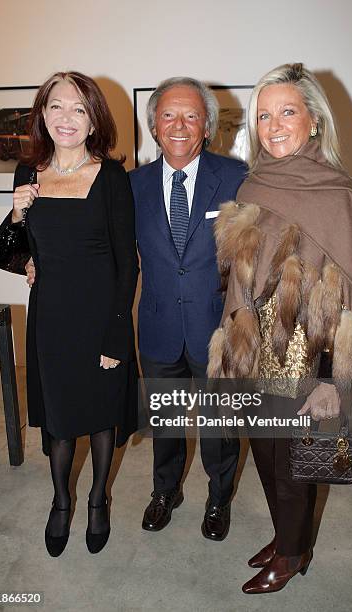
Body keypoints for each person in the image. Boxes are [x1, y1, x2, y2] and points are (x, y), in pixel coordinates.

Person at [208, 63, 352, 592]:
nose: (274, 124)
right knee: (263, 448)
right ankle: (289, 534)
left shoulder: (340, 194)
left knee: (298, 458)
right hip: (256, 346)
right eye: (264, 115)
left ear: (315, 121)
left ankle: (293, 552)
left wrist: (334, 380)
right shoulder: (255, 182)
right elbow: (243, 273)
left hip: (311, 352)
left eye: (287, 111)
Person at [0, 71, 139, 557]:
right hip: (51, 320)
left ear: (94, 118)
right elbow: (7, 252)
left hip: (100, 318)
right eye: (56, 106)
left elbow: (127, 263)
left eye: (78, 108)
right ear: (42, 114)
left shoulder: (112, 177)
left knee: (100, 418)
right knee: (57, 419)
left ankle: (98, 499)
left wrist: (118, 336)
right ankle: (61, 502)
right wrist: (17, 215)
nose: (66, 118)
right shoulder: (26, 174)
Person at [129, 77, 247, 540]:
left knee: (220, 428)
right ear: (154, 125)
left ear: (207, 126)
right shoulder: (131, 185)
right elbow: (109, 252)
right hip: (158, 326)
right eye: (169, 115)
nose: (179, 125)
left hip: (216, 327)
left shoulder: (236, 177)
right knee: (166, 423)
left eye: (191, 115)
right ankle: (166, 491)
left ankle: (219, 499)